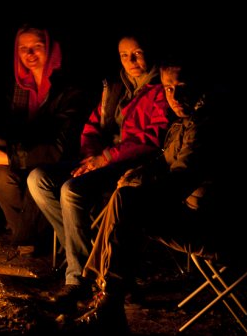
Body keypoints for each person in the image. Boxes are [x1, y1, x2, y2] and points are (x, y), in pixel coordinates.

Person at [27, 30, 171, 312]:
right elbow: (92, 127)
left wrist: (103, 159)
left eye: (137, 53)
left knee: (72, 190)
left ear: (149, 52)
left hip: (129, 164)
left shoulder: (162, 89)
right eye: (124, 55)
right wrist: (90, 156)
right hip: (100, 160)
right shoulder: (115, 87)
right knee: (38, 178)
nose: (130, 60)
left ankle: (78, 277)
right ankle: (93, 256)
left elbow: (150, 141)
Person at [76, 58, 220, 332]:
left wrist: (140, 186)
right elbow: (164, 161)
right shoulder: (184, 121)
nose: (174, 96)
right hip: (190, 212)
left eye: (181, 87)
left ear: (200, 87)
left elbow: (180, 180)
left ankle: (106, 299)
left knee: (128, 202)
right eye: (167, 89)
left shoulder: (205, 126)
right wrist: (137, 174)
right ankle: (104, 292)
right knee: (124, 193)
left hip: (212, 224)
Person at [0, 24, 89, 250]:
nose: (30, 54)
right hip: (24, 159)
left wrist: (9, 157)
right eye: (23, 48)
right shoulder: (19, 86)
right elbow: (2, 127)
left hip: (56, 166)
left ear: (49, 48)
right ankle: (24, 235)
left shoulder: (69, 89)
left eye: (37, 47)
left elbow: (59, 148)